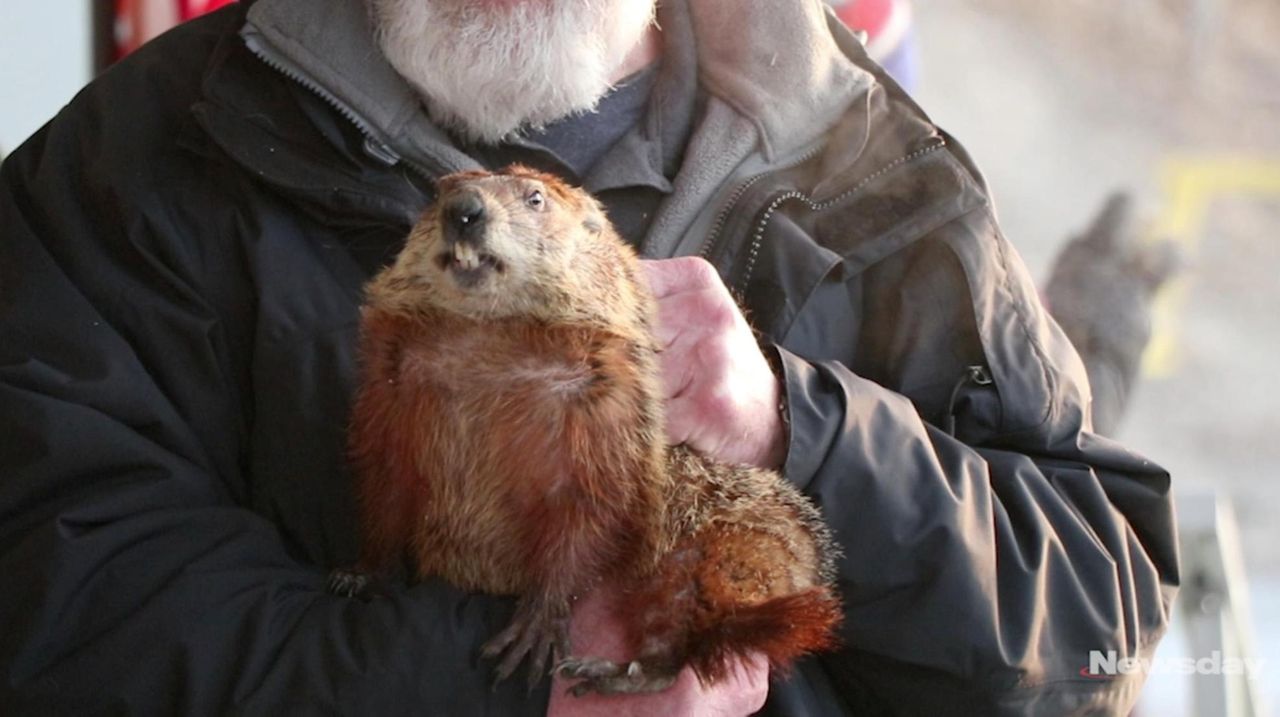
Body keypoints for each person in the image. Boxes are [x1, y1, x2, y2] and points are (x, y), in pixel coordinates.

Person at [0, 0, 1178, 715]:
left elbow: (1092, 629)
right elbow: (54, 612)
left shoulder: (873, 166)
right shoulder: (137, 165)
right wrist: (507, 689)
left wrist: (800, 430)